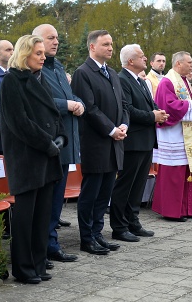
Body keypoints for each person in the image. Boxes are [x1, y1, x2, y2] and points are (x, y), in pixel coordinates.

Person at [0, 34, 65, 284]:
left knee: (42, 215)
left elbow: (53, 114)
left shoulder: (41, 78)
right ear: (24, 54)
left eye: (42, 53)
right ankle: (24, 268)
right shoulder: (12, 81)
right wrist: (47, 143)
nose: (43, 56)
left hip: (47, 156)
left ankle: (38, 264)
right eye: (38, 53)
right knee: (26, 217)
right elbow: (19, 123)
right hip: (27, 157)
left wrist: (59, 139)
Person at [71, 30, 127, 255]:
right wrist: (111, 129)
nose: (110, 48)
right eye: (105, 44)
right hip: (95, 143)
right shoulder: (83, 73)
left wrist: (124, 125)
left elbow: (122, 103)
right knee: (91, 193)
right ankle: (87, 238)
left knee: (105, 192)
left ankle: (98, 234)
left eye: (111, 44)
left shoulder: (112, 72)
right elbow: (89, 108)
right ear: (92, 47)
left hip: (114, 142)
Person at [32, 24, 82, 264]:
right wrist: (67, 105)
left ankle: (51, 242)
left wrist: (78, 102)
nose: (55, 42)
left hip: (65, 142)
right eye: (50, 38)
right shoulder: (34, 71)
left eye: (57, 38)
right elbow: (39, 101)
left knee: (56, 199)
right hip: (48, 143)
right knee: (46, 201)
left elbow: (68, 95)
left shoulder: (58, 66)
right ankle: (45, 245)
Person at [112, 44, 168, 242]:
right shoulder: (121, 80)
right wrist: (152, 116)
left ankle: (133, 221)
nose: (145, 59)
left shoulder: (142, 81)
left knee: (138, 184)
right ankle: (119, 226)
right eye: (142, 56)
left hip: (146, 139)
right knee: (125, 184)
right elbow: (127, 110)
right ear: (131, 61)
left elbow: (150, 105)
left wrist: (159, 112)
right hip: (132, 140)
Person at [151, 51, 192, 222]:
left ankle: (187, 208)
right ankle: (171, 211)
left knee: (187, 172)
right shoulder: (167, 82)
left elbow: (189, 104)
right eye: (189, 62)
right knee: (174, 174)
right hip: (173, 135)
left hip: (186, 136)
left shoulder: (184, 82)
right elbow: (168, 106)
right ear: (178, 64)